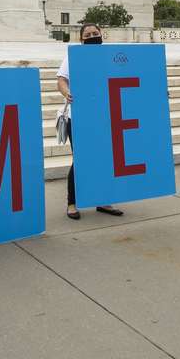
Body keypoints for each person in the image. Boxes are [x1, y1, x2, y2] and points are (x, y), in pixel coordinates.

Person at [58, 23, 123, 220]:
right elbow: (61, 80)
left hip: (104, 117)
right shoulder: (74, 56)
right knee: (81, 160)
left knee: (105, 159)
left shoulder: (110, 56)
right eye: (88, 34)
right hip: (79, 117)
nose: (93, 36)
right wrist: (67, 93)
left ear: (102, 34)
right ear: (81, 39)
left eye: (96, 33)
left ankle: (103, 200)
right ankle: (72, 203)